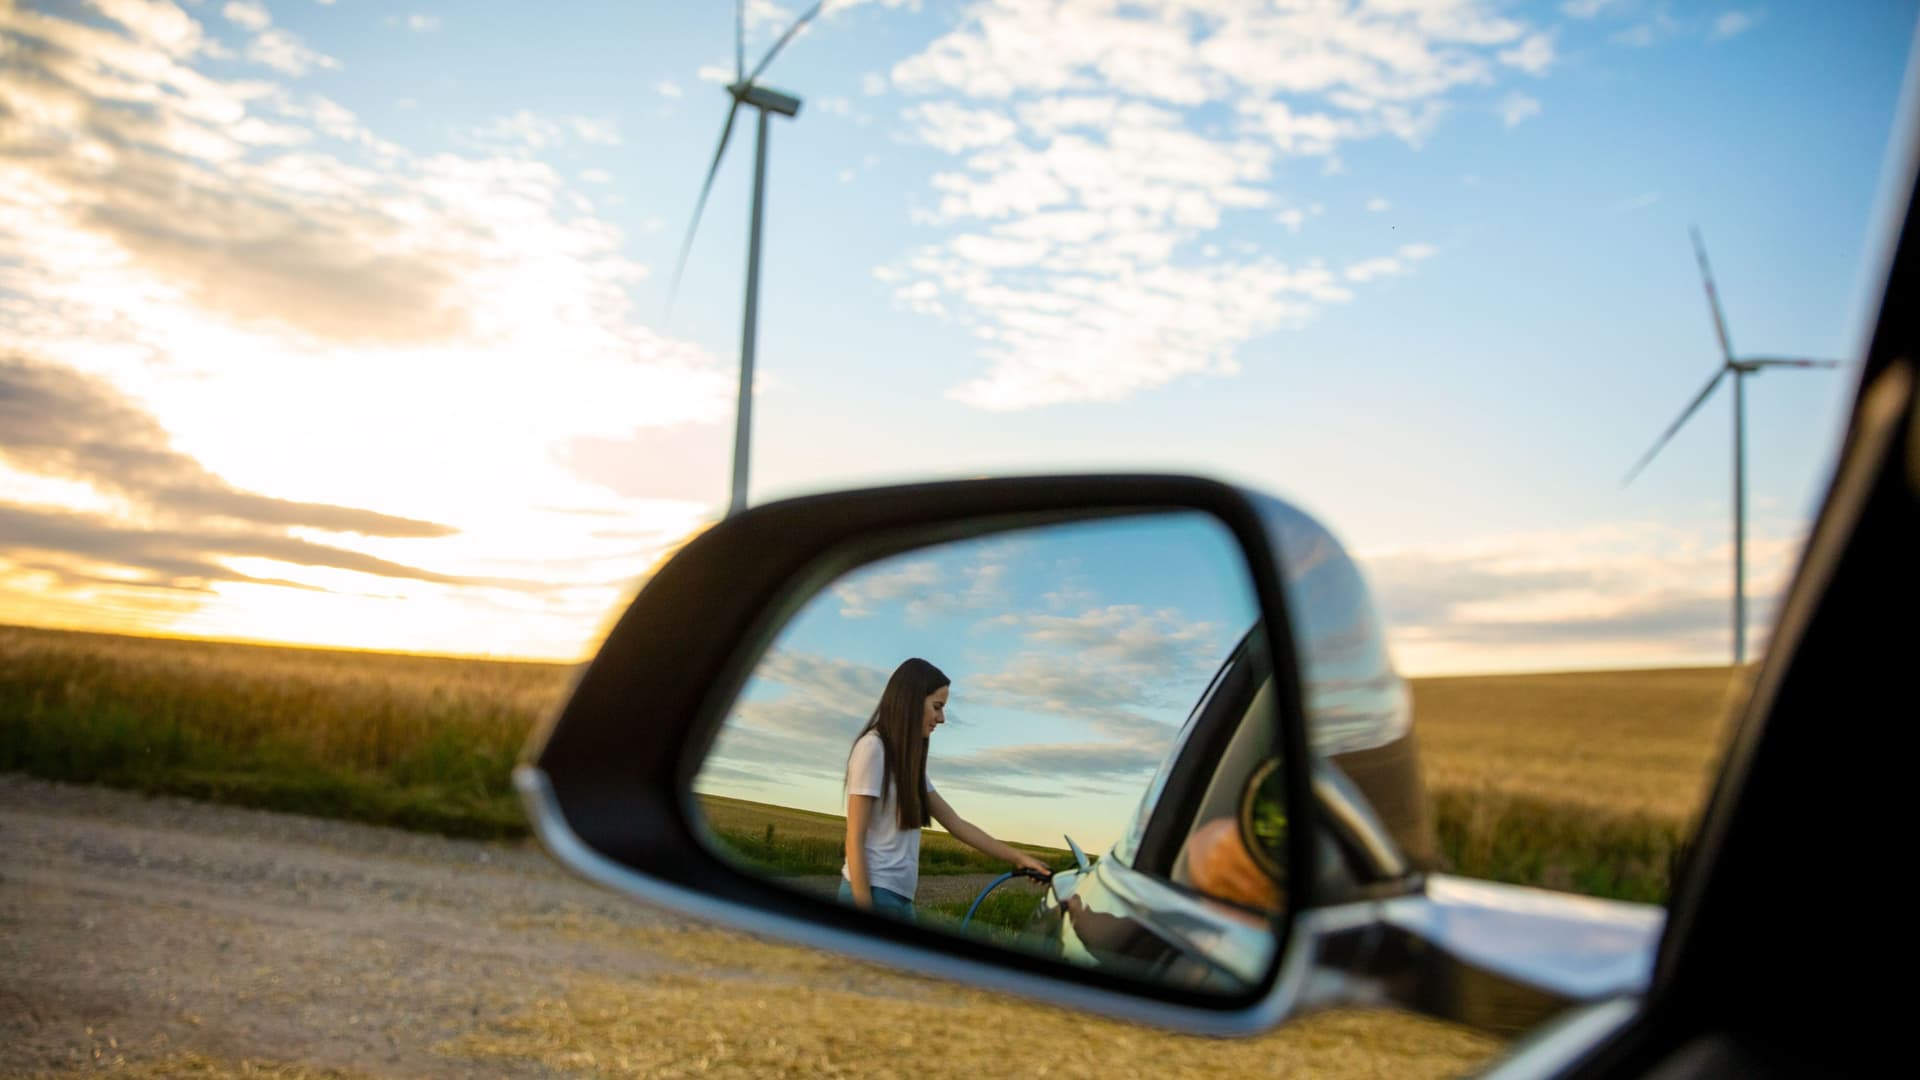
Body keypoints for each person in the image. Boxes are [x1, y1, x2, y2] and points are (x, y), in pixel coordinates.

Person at [839, 657, 1051, 919]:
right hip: (871, 894)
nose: (942, 718)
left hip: (900, 900)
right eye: (937, 707)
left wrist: (1019, 859)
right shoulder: (873, 749)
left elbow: (956, 824)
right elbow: (854, 839)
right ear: (911, 701)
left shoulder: (907, 763)